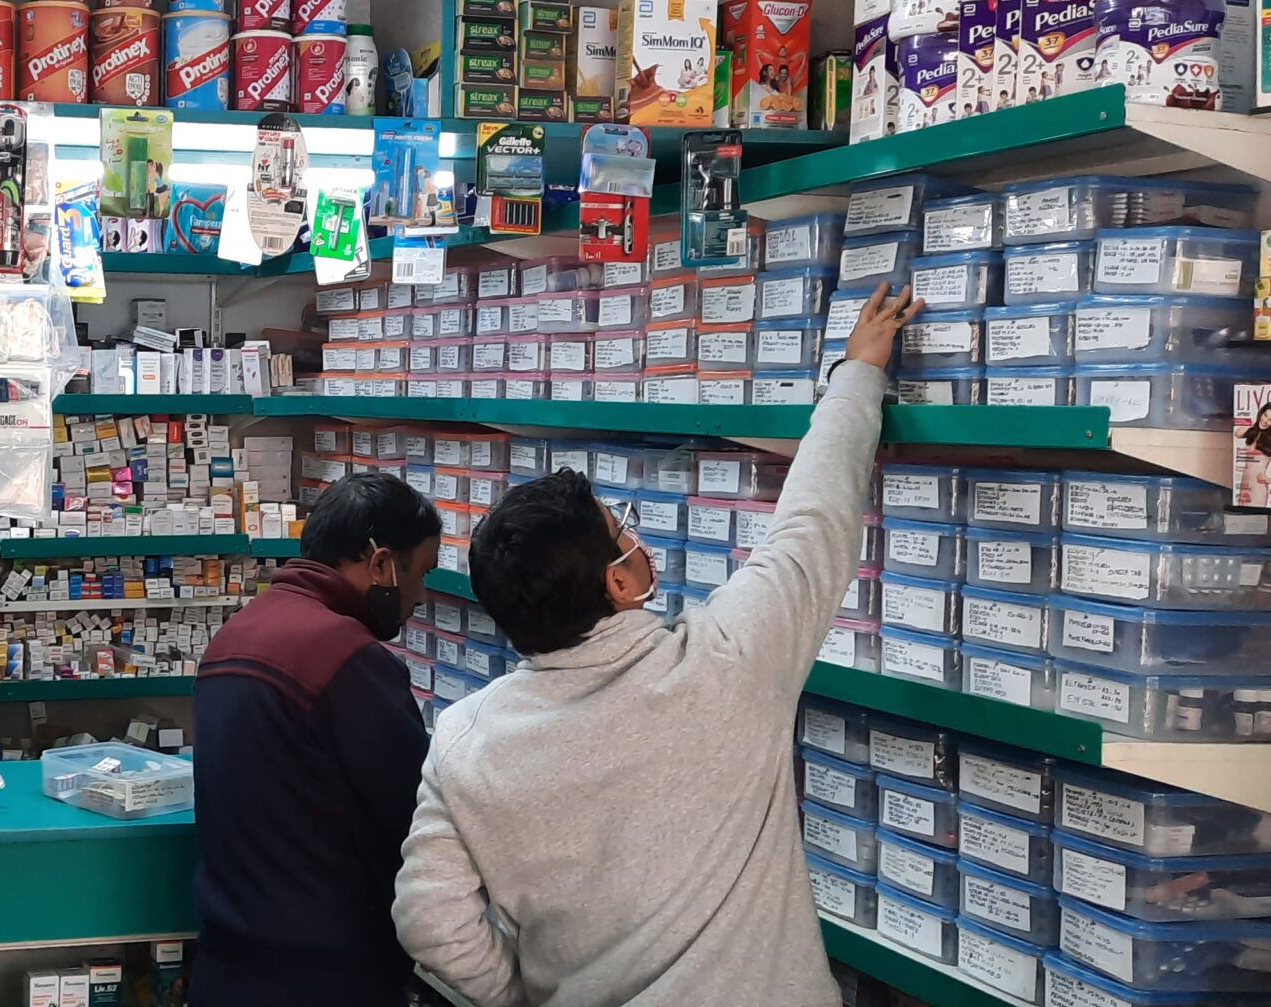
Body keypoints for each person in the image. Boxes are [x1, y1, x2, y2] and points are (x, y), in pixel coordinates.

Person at [394, 284, 921, 1007]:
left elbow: (429, 923)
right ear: (618, 582)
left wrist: (519, 994)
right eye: (624, 532)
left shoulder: (463, 742)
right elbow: (813, 523)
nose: (637, 540)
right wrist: (857, 373)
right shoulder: (728, 660)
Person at [192, 472, 442, 1007]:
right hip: (325, 976)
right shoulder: (348, 658)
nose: (418, 595)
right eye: (419, 574)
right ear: (380, 564)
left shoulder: (236, 632)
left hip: (227, 966)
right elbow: (417, 818)